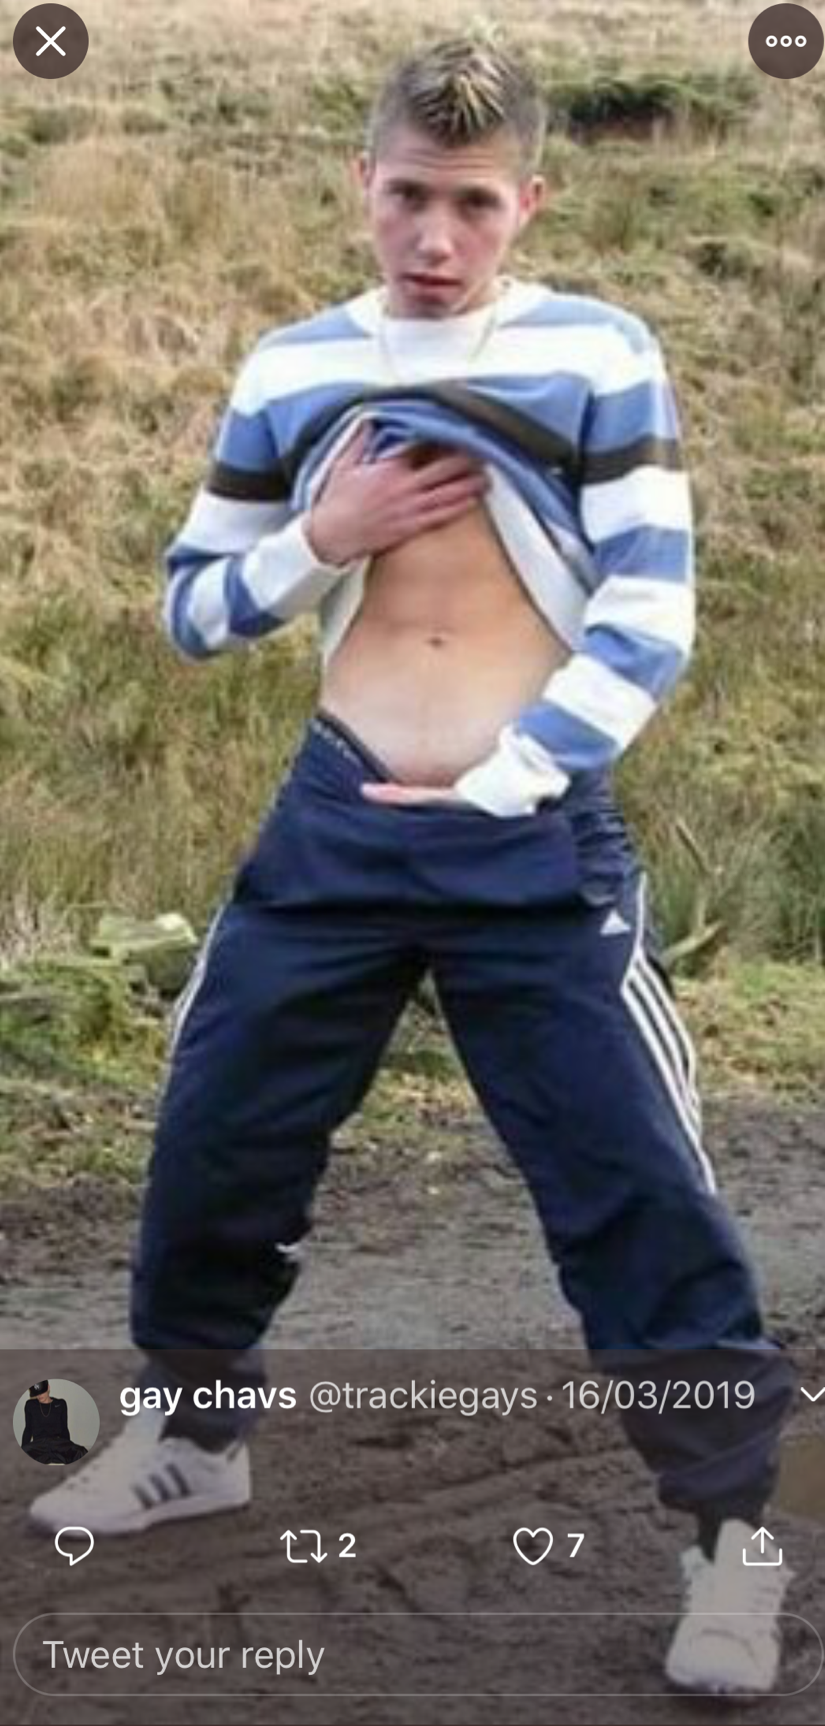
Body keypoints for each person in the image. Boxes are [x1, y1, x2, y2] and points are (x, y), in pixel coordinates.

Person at [31, 36, 794, 1694]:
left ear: (530, 201)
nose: (435, 236)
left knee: (630, 1182)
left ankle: (729, 1535)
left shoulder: (598, 350)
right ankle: (196, 1439)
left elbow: (652, 608)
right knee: (219, 1129)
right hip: (336, 820)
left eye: (471, 204)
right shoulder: (296, 365)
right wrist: (323, 539)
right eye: (406, 198)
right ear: (360, 185)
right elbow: (192, 610)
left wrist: (517, 772)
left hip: (531, 831)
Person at [21, 1380, 88, 1465]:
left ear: (48, 1388)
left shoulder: (60, 1404)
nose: (39, 1395)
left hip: (57, 1443)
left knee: (81, 1451)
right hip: (39, 1445)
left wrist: (67, 1446)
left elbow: (64, 1428)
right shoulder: (30, 1405)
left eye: (42, 1392)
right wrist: (23, 1449)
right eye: (36, 1393)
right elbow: (28, 1429)